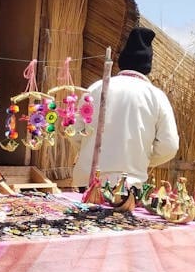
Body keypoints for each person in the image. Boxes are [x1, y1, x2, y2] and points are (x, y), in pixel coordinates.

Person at [71, 26, 180, 191]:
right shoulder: (156, 97)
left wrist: (89, 150)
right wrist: (142, 157)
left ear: (122, 62)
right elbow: (169, 146)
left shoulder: (96, 88)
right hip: (128, 185)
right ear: (147, 66)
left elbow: (75, 132)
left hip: (89, 179)